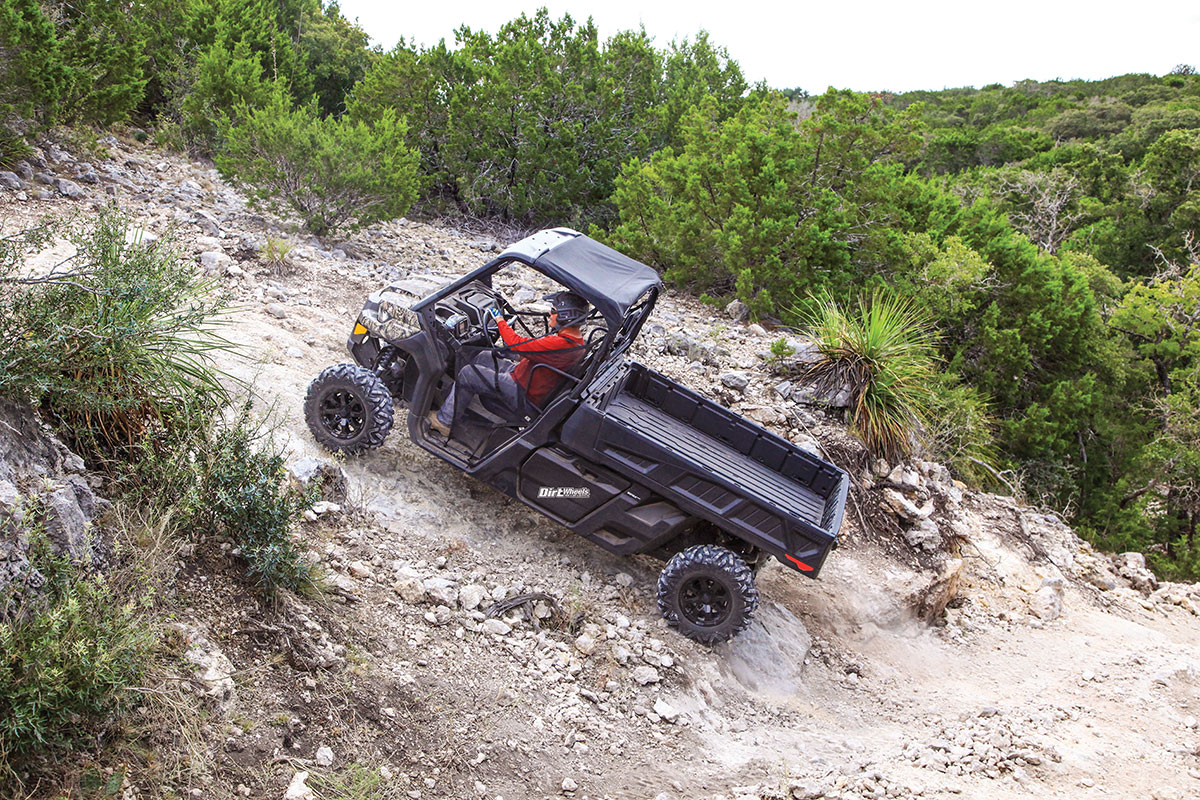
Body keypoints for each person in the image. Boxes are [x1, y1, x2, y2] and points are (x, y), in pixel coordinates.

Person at [427, 291, 590, 436]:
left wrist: (499, 319)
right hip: (527, 377)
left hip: (522, 391)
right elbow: (532, 353)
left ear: (565, 316)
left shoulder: (560, 344)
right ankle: (453, 400)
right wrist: (507, 351)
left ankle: (444, 421)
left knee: (469, 374)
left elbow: (514, 342)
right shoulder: (575, 342)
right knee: (484, 355)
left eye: (553, 311)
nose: (549, 314)